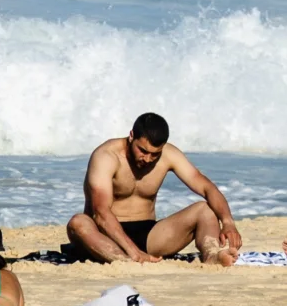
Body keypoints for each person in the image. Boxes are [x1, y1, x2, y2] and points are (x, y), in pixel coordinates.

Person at [66, 113, 242, 266]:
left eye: (155, 154)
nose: (148, 159)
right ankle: (126, 261)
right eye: (142, 150)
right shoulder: (106, 156)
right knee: (78, 223)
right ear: (131, 136)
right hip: (105, 236)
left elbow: (206, 187)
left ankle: (212, 256)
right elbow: (101, 212)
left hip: (149, 236)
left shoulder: (169, 155)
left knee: (204, 209)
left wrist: (228, 222)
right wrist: (133, 252)